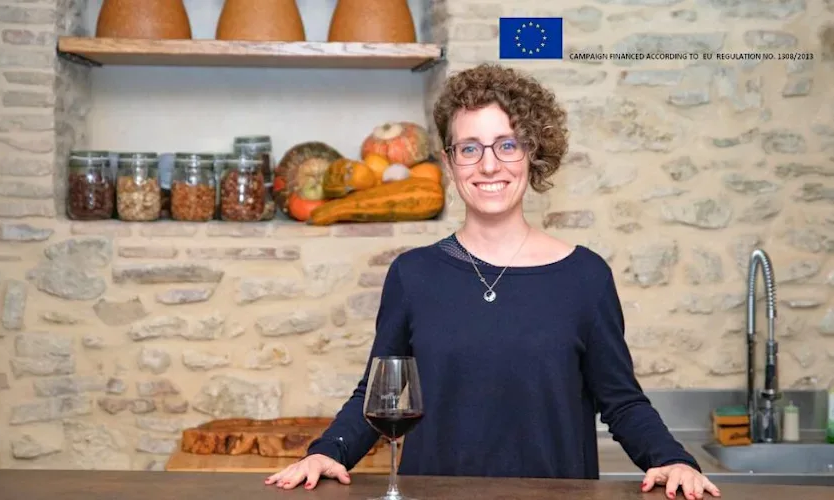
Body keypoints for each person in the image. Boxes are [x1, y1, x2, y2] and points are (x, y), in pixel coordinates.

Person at [265, 63, 720, 500]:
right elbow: (377, 394)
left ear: (532, 152)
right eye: (470, 148)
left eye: (507, 145)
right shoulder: (413, 274)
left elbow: (621, 402)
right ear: (449, 162)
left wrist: (672, 459)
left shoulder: (586, 277)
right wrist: (326, 452)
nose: (488, 165)